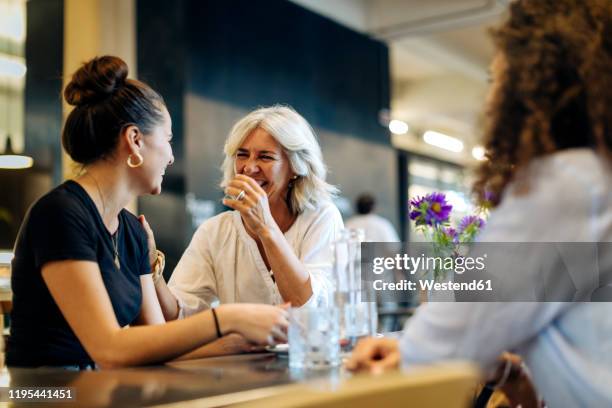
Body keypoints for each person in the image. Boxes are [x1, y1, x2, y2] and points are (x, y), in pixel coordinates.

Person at [346, 1, 612, 406]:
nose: (489, 99)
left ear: (533, 86)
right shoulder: (596, 176)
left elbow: (440, 341)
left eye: (495, 79)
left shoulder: (567, 184)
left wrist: (408, 349)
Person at [7, 56, 288, 369]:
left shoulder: (133, 230)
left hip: (97, 391)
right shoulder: (60, 214)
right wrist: (229, 317)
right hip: (41, 394)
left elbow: (155, 341)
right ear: (135, 140)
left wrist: (240, 340)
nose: (170, 157)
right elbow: (109, 349)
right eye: (167, 139)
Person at [153, 105, 343, 320]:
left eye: (265, 157)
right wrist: (151, 266)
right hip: (243, 354)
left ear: (295, 167)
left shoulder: (322, 217)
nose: (249, 168)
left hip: (313, 352)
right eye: (242, 155)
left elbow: (306, 307)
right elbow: (178, 314)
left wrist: (265, 227)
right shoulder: (215, 230)